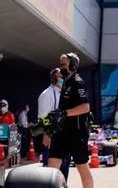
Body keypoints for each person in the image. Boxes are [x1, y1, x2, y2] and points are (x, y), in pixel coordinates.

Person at [45, 53, 94, 188]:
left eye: (63, 65)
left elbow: (85, 107)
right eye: (60, 65)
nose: (60, 68)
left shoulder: (78, 82)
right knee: (52, 166)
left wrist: (65, 113)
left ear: (73, 65)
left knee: (82, 166)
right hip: (62, 131)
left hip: (77, 132)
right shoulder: (66, 82)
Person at [37, 68, 69, 180]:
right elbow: (42, 117)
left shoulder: (64, 93)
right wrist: (47, 134)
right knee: (51, 176)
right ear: (53, 78)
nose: (63, 78)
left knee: (64, 174)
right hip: (53, 138)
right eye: (60, 76)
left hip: (64, 138)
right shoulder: (47, 94)